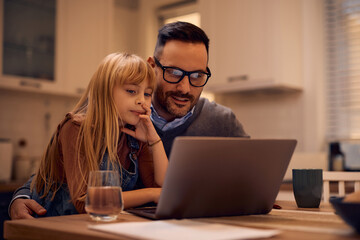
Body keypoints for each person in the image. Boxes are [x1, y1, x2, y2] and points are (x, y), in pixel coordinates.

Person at [10, 21, 249, 219]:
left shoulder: (217, 122)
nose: (185, 87)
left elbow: (162, 187)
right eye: (175, 73)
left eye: (197, 75)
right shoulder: (82, 127)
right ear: (153, 67)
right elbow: (56, 181)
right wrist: (20, 197)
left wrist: (153, 140)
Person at [9, 52, 168, 218]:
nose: (142, 101)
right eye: (131, 91)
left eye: (148, 94)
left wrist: (154, 140)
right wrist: (151, 194)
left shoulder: (136, 134)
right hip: (52, 226)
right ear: (105, 91)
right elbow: (85, 202)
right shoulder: (77, 128)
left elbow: (162, 188)